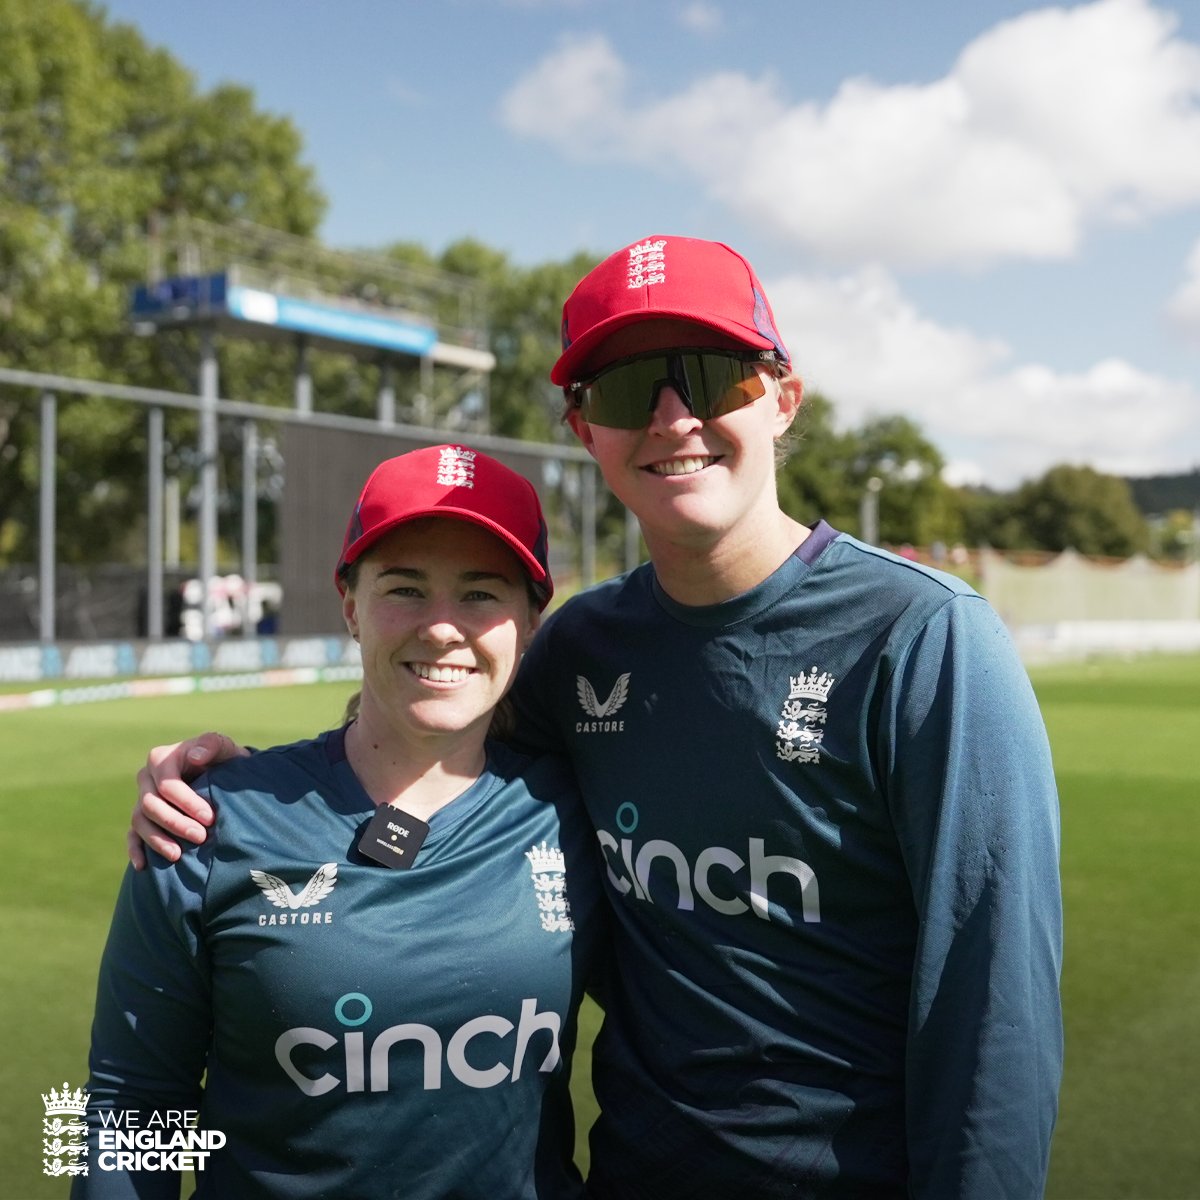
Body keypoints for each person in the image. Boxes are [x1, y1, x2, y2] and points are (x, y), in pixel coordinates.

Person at [129, 235, 1063, 1199]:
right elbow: (121, 1095)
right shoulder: (580, 652)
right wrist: (246, 794)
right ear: (585, 430)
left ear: (783, 395)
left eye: (709, 375)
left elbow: (995, 1013)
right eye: (625, 391)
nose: (671, 417)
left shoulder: (927, 637)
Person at [81, 445, 603, 1199]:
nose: (442, 627)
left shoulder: (571, 812)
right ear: (351, 604)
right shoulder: (205, 821)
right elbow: (130, 1106)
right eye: (406, 588)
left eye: (482, 594)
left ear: (530, 620)